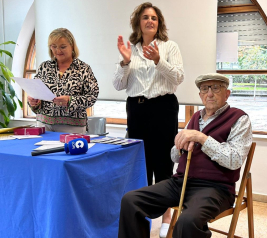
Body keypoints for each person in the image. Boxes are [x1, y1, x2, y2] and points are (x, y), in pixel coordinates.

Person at [118, 73, 253, 238]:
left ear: (227, 94)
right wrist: (179, 147)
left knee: (187, 221)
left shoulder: (239, 119)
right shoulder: (195, 117)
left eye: (216, 88)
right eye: (205, 89)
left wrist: (201, 138)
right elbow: (174, 157)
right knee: (131, 201)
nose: (209, 93)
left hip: (215, 188)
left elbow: (234, 160)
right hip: (180, 182)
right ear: (200, 95)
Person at [112, 2, 184, 235]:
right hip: (137, 109)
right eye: (145, 17)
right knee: (141, 164)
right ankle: (140, 217)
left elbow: (178, 78)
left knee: (164, 163)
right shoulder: (129, 49)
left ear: (159, 23)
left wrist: (158, 61)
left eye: (154, 17)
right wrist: (124, 62)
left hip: (163, 108)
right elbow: (118, 84)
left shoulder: (169, 46)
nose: (150, 21)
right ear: (138, 23)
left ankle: (166, 218)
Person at [27, 28, 99, 134]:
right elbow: (36, 93)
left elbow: (92, 96)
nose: (58, 51)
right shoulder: (44, 67)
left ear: (72, 46)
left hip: (73, 127)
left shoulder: (83, 68)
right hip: (44, 126)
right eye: (54, 46)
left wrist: (70, 101)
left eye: (63, 47)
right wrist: (34, 102)